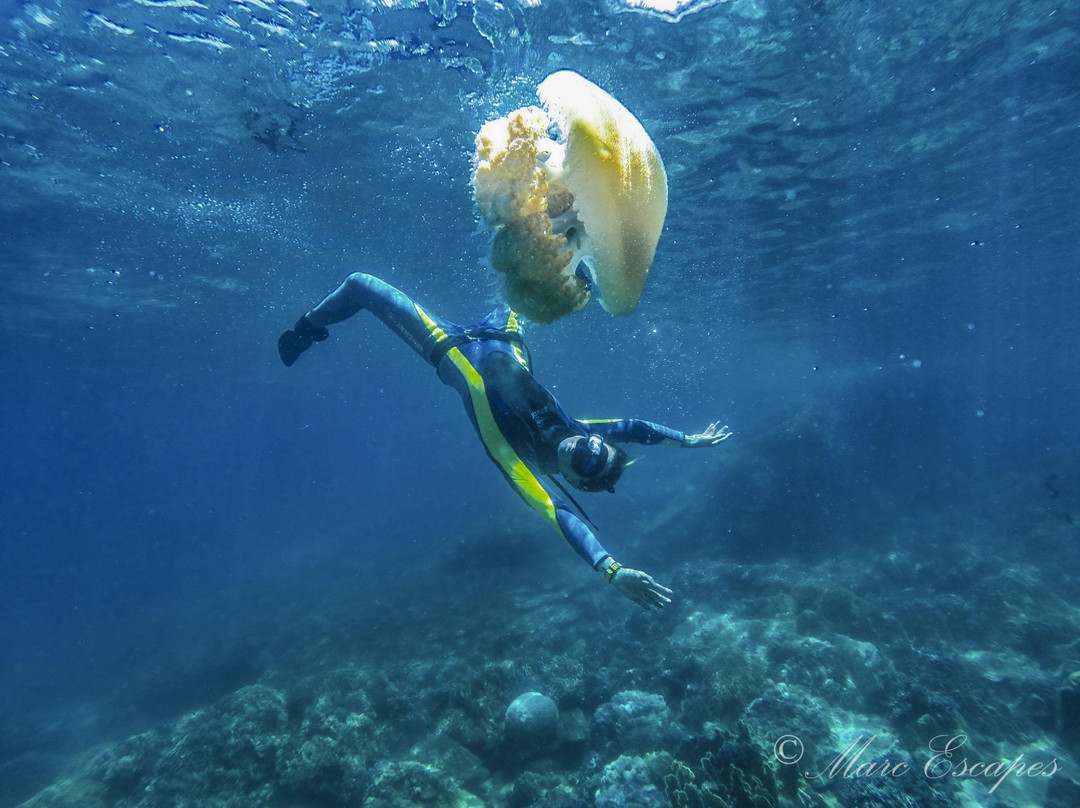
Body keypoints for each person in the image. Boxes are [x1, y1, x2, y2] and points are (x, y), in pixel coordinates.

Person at [278, 273, 731, 610]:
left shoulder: (517, 462)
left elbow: (560, 514)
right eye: (596, 446)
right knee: (536, 252)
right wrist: (688, 442)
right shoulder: (578, 428)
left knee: (360, 284)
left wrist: (610, 570)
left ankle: (307, 328)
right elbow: (633, 427)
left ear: (573, 479)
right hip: (506, 329)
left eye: (588, 464)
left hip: (445, 344)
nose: (586, 447)